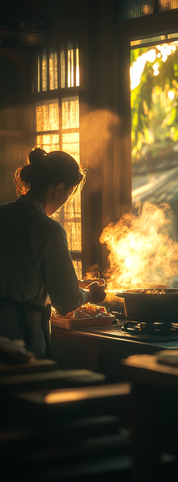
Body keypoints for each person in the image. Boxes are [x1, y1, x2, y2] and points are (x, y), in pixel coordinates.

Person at [0, 147, 106, 359]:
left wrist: (74, 284)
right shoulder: (48, 229)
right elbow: (66, 302)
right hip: (19, 338)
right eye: (68, 192)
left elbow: (21, 274)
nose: (66, 199)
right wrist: (91, 294)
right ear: (58, 188)